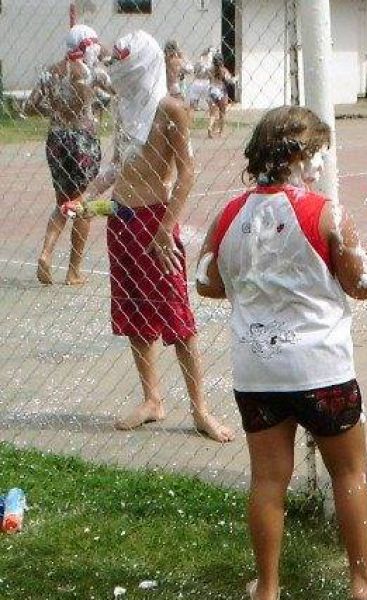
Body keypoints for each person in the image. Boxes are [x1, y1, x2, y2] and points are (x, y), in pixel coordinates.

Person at [195, 105, 367, 600]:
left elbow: (206, 281)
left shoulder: (229, 213)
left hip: (257, 369)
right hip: (321, 368)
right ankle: (364, 583)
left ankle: (268, 587)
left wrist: (256, 286)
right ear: (299, 156)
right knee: (350, 471)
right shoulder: (325, 212)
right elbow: (362, 282)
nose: (321, 164)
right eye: (319, 153)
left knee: (268, 479)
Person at [80, 30, 233, 442]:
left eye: (128, 70)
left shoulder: (170, 109)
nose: (120, 79)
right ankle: (153, 398)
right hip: (121, 220)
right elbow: (116, 166)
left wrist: (167, 227)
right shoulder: (124, 106)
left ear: (144, 66)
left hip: (154, 223)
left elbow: (186, 172)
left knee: (177, 318)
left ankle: (200, 409)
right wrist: (87, 195)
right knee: (133, 313)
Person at [25, 24, 106, 286]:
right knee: (82, 204)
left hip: (57, 138)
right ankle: (73, 271)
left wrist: (56, 112)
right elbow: (115, 93)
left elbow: (31, 105)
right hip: (83, 140)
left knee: (62, 201)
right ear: (85, 45)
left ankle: (46, 254)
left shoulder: (51, 72)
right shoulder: (91, 73)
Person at [207, 52, 234, 138]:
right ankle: (221, 132)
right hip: (221, 91)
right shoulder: (224, 70)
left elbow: (209, 78)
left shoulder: (210, 69)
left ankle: (210, 127)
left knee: (212, 113)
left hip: (212, 90)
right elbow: (229, 80)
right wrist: (234, 79)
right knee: (222, 113)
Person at [187, 46, 213, 116]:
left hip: (196, 83)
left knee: (192, 106)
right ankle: (211, 125)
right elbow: (211, 75)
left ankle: (189, 123)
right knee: (211, 105)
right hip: (206, 83)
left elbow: (194, 72)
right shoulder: (209, 63)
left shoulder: (198, 62)